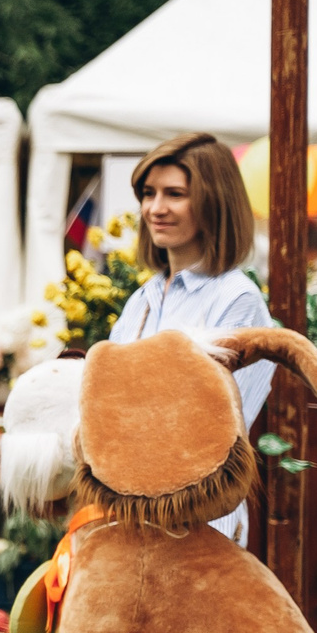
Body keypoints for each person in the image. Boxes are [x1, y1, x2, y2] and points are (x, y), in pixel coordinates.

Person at [105, 134, 272, 543]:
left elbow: (213, 431)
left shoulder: (237, 300)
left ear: (212, 202)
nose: (156, 208)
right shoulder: (141, 301)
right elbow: (104, 404)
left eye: (174, 194)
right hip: (131, 517)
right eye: (149, 193)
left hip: (198, 523)